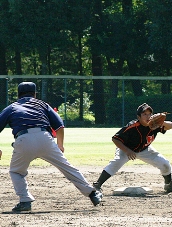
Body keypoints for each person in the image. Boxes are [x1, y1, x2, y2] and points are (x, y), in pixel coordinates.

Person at [0, 82, 102, 212]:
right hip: (45, 138)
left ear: (18, 95)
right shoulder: (42, 104)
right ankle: (92, 194)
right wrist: (60, 145)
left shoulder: (12, 107)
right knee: (67, 167)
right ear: (35, 94)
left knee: (16, 172)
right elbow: (59, 126)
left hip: (23, 140)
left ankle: (25, 201)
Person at [93, 103, 172, 193]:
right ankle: (97, 184)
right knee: (116, 163)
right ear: (139, 117)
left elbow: (171, 126)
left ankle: (169, 185)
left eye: (149, 114)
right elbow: (115, 139)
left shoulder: (155, 124)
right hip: (126, 149)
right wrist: (127, 151)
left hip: (145, 150)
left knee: (164, 163)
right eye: (144, 114)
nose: (148, 116)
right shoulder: (132, 126)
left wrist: (162, 122)